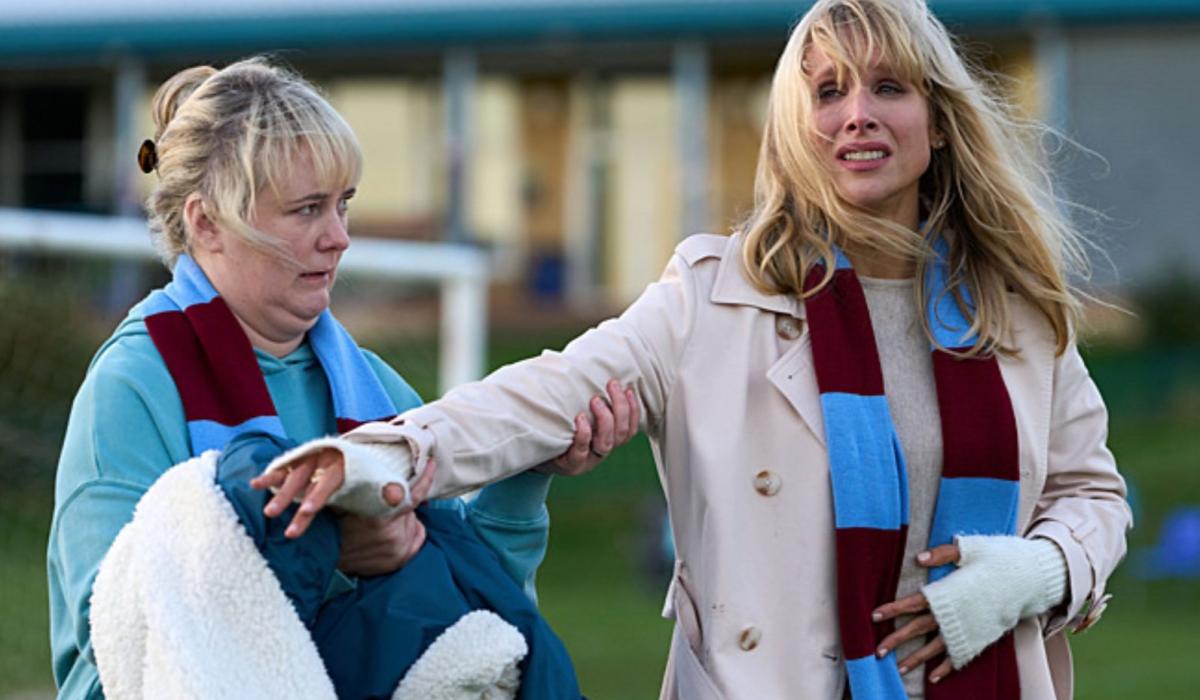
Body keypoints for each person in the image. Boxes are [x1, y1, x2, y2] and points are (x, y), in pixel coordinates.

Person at [265, 1, 1132, 698]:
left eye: (889, 88)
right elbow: (546, 392)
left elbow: (1092, 493)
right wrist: (394, 451)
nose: (857, 115)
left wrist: (1033, 572)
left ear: (938, 122)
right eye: (827, 93)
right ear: (795, 126)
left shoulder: (1012, 311)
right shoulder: (716, 293)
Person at [47, 57, 637, 699]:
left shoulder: (374, 386)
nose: (338, 238)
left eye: (342, 205)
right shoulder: (135, 382)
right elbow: (115, 643)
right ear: (206, 222)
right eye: (305, 210)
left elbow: (479, 630)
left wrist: (523, 474)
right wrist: (331, 554)